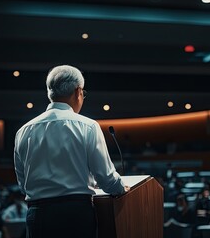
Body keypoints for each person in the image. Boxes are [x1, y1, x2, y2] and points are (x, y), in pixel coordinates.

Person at [13, 64, 130, 238]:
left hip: (37, 215)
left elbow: (23, 185)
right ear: (78, 91)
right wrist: (122, 187)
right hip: (76, 215)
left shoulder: (23, 131)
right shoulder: (88, 126)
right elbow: (106, 179)